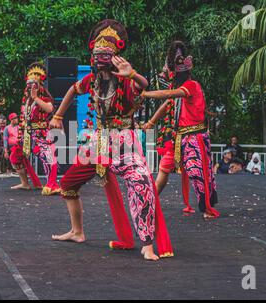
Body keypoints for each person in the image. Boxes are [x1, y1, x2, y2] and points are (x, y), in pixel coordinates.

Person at [49, 19, 173, 261]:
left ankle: (147, 244)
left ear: (116, 55)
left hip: (123, 140)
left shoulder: (126, 79)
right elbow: (73, 90)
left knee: (140, 183)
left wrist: (134, 74)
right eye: (97, 54)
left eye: (107, 54)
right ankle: (77, 232)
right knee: (67, 184)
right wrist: (57, 115)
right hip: (99, 141)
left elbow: (144, 87)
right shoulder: (91, 80)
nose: (101, 58)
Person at [142, 40, 220, 220]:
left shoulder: (191, 86)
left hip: (195, 138)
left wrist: (146, 94)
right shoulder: (179, 89)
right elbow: (168, 103)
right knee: (163, 170)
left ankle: (207, 207)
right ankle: (149, 202)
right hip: (179, 138)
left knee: (197, 173)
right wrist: (151, 122)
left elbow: (168, 95)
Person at [10, 63, 60, 195]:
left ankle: (52, 184)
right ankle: (25, 183)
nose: (30, 86)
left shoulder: (43, 98)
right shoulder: (26, 100)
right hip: (26, 133)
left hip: (41, 133)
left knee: (48, 157)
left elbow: (49, 109)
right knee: (15, 156)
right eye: (28, 83)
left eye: (33, 84)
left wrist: (36, 98)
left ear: (39, 86)